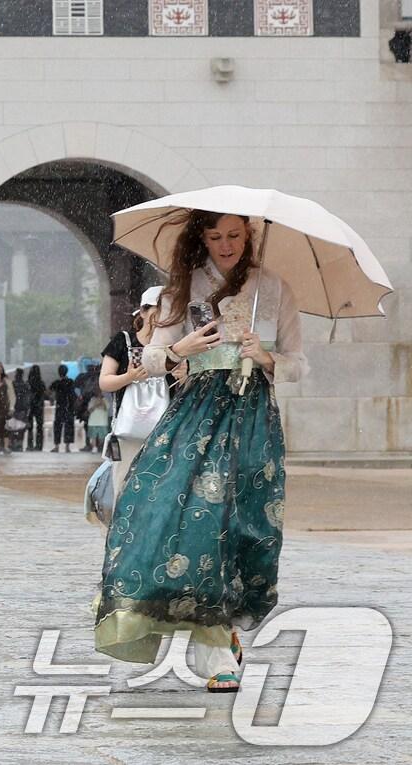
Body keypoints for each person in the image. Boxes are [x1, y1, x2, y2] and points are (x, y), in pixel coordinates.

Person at [95, 211, 308, 693]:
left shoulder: (274, 289)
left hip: (254, 419)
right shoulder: (180, 289)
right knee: (192, 521)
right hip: (196, 417)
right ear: (202, 238)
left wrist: (267, 357)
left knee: (246, 526)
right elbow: (148, 361)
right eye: (215, 236)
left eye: (234, 235)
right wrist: (179, 348)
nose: (225, 244)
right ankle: (215, 649)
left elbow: (299, 363)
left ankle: (227, 625)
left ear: (247, 236)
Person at [97, 285, 167, 501]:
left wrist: (183, 373)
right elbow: (105, 382)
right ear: (143, 312)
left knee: (160, 488)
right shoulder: (123, 341)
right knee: (124, 486)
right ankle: (121, 532)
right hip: (127, 430)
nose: (161, 317)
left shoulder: (174, 346)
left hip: (165, 431)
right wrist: (130, 377)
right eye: (157, 310)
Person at [47, 365, 76, 452]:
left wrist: (52, 398)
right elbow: (74, 393)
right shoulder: (70, 381)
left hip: (60, 407)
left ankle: (57, 446)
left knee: (58, 426)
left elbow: (48, 391)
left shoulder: (57, 383)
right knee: (69, 426)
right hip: (69, 406)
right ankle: (67, 447)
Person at [9, 367, 32, 452]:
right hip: (22, 408)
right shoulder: (25, 385)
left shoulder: (12, 384)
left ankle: (12, 443)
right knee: (21, 428)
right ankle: (19, 444)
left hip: (14, 408)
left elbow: (10, 396)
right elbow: (28, 398)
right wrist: (27, 408)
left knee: (12, 427)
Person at [24, 366, 46, 451]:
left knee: (30, 427)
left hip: (30, 406)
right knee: (39, 426)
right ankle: (39, 445)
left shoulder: (28, 383)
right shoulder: (41, 383)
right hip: (39, 406)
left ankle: (30, 445)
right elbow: (44, 394)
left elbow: (25, 395)